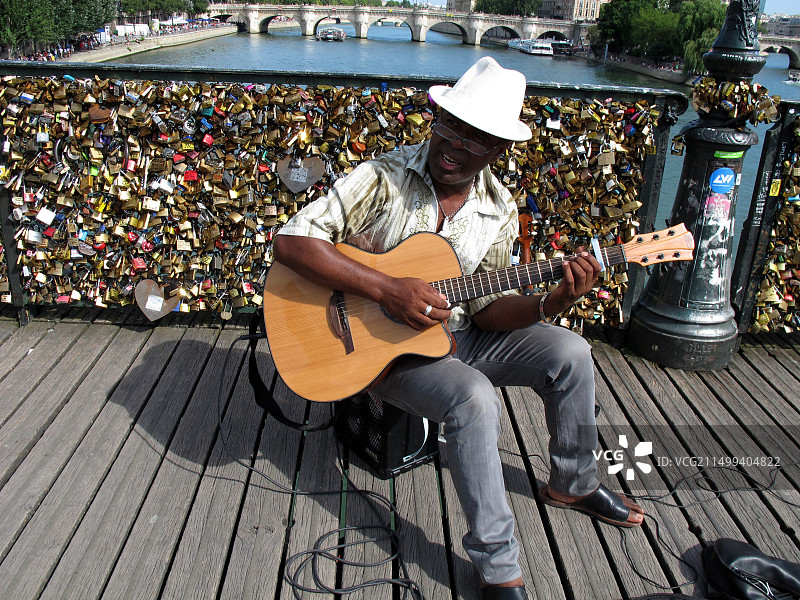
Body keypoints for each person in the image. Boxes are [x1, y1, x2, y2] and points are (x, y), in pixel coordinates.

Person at [273, 57, 644, 600]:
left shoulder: (498, 207)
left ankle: (573, 483)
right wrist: (385, 289)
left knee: (571, 352)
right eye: (449, 124)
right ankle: (498, 566)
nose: (453, 144)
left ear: (499, 149)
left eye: (476, 138)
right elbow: (291, 243)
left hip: (455, 333)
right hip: (379, 350)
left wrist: (554, 300)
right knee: (473, 397)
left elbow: (488, 312)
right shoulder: (383, 177)